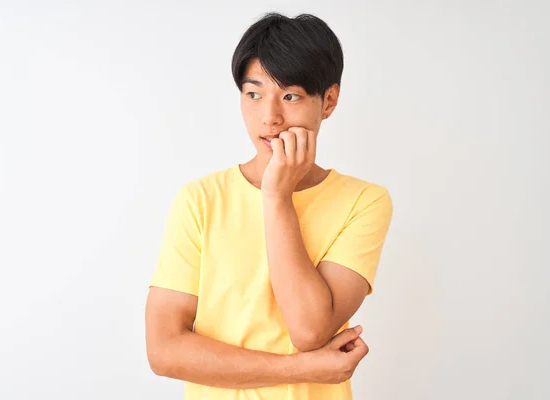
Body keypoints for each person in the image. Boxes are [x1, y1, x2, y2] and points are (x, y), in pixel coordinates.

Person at [145, 12, 393, 400]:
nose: (270, 118)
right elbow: (163, 351)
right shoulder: (200, 200)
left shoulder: (363, 201)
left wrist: (277, 197)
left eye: (290, 96)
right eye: (254, 94)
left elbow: (309, 330)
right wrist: (301, 368)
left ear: (328, 100)